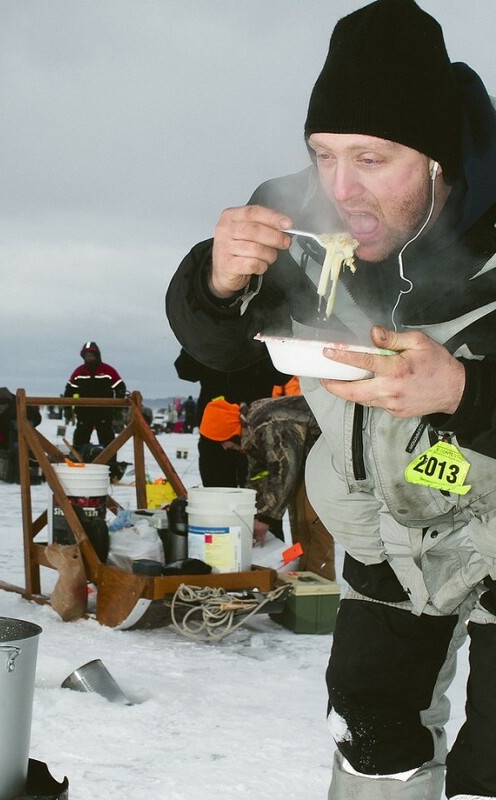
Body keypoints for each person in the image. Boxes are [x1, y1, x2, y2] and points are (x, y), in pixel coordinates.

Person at [165, 1, 496, 797]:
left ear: (439, 160)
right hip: (387, 538)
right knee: (369, 730)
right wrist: (217, 282)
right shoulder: (314, 240)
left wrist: (462, 388)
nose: (342, 190)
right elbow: (221, 364)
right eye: (324, 155)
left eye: (373, 160)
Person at [199, 394, 335, 580]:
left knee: (311, 525)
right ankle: (303, 580)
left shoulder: (268, 425)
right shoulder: (253, 425)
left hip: (322, 462)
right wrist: (251, 510)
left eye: (222, 441)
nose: (224, 447)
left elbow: (284, 471)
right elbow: (259, 473)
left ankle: (320, 588)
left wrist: (265, 517)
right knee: (299, 523)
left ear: (229, 431)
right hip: (307, 464)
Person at [174, 348, 290, 487]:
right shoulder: (209, 335)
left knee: (244, 498)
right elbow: (185, 370)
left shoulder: (209, 336)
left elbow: (185, 370)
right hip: (228, 431)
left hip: (248, 431)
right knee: (235, 498)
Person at [63, 341, 127, 473]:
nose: (89, 358)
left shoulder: (108, 371)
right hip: (84, 413)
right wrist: (67, 409)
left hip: (104, 412)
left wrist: (118, 409)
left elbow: (120, 388)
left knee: (108, 441)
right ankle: (78, 465)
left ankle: (111, 467)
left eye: (91, 355)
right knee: (80, 440)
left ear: (97, 355)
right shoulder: (79, 372)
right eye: (86, 355)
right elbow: (68, 391)